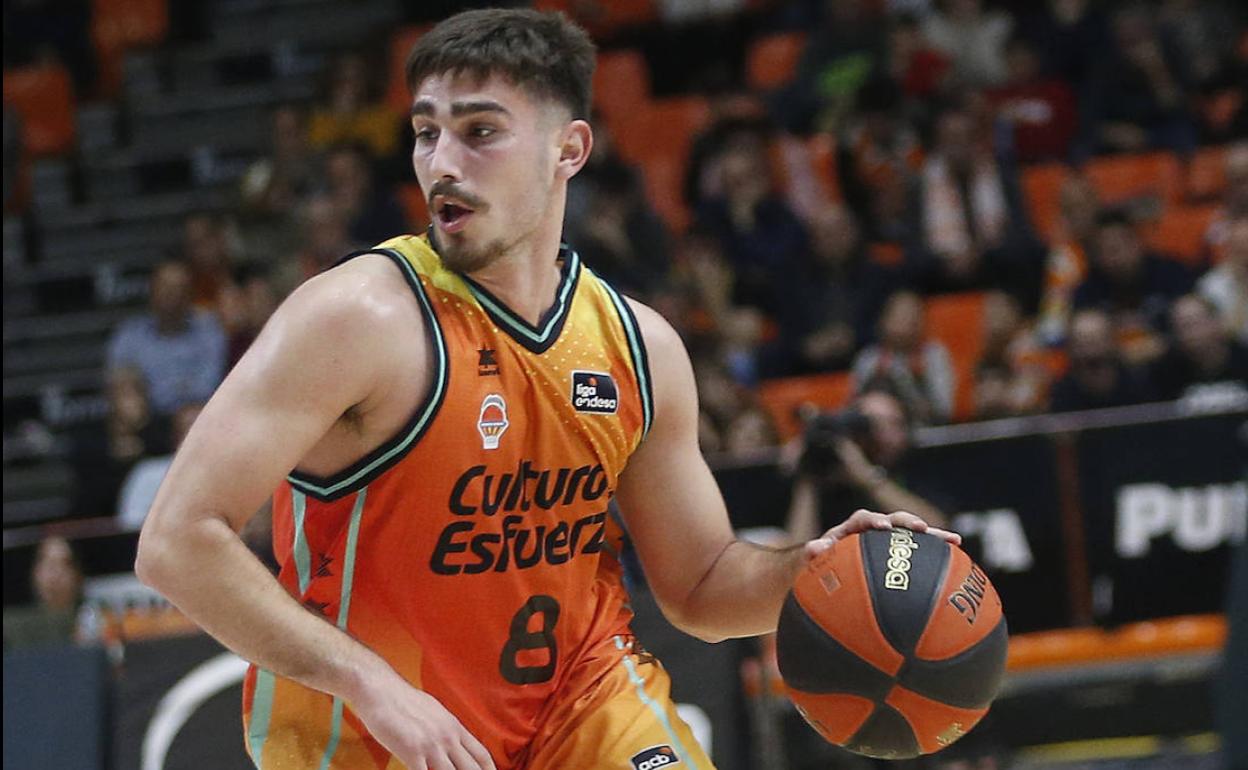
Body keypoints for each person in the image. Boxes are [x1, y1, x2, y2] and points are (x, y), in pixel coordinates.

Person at [134, 10, 957, 770]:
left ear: (569, 150)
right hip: (372, 735)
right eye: (427, 134)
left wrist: (807, 576)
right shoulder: (357, 316)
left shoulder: (639, 347)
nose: (442, 164)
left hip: (583, 706)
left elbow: (699, 585)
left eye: (480, 132)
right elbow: (176, 541)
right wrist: (369, 683)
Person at [786, 385, 949, 546]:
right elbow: (798, 552)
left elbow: (938, 530)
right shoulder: (831, 475)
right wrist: (809, 470)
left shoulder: (920, 466)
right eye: (868, 423)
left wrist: (867, 476)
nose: (880, 433)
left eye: (891, 423)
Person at [106, 259, 227, 416]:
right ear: (152, 290)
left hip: (200, 418)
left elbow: (209, 386)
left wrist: (156, 389)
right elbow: (119, 384)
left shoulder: (208, 332)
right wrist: (179, 388)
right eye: (165, 286)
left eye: (179, 287)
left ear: (190, 293)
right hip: (148, 421)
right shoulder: (129, 336)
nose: (171, 293)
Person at [850, 290, 956, 424]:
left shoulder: (934, 355)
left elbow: (944, 410)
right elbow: (856, 408)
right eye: (900, 315)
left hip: (926, 433)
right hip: (879, 433)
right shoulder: (869, 359)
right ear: (884, 319)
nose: (907, 321)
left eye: (912, 315)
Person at [1048, 308, 1155, 412]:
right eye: (1082, 342)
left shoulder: (1138, 386)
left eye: (1096, 340)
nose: (1091, 352)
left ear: (1112, 342)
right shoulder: (1061, 394)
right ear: (1071, 347)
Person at [1148, 294, 1248, 401]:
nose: (1192, 333)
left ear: (1217, 322)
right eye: (1183, 327)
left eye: (1196, 323)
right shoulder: (1166, 372)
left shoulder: (1244, 359)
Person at [2, 537, 85, 650]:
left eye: (65, 563)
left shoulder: (96, 620)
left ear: (78, 575)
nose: (56, 573)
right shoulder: (12, 626)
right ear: (35, 573)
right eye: (48, 562)